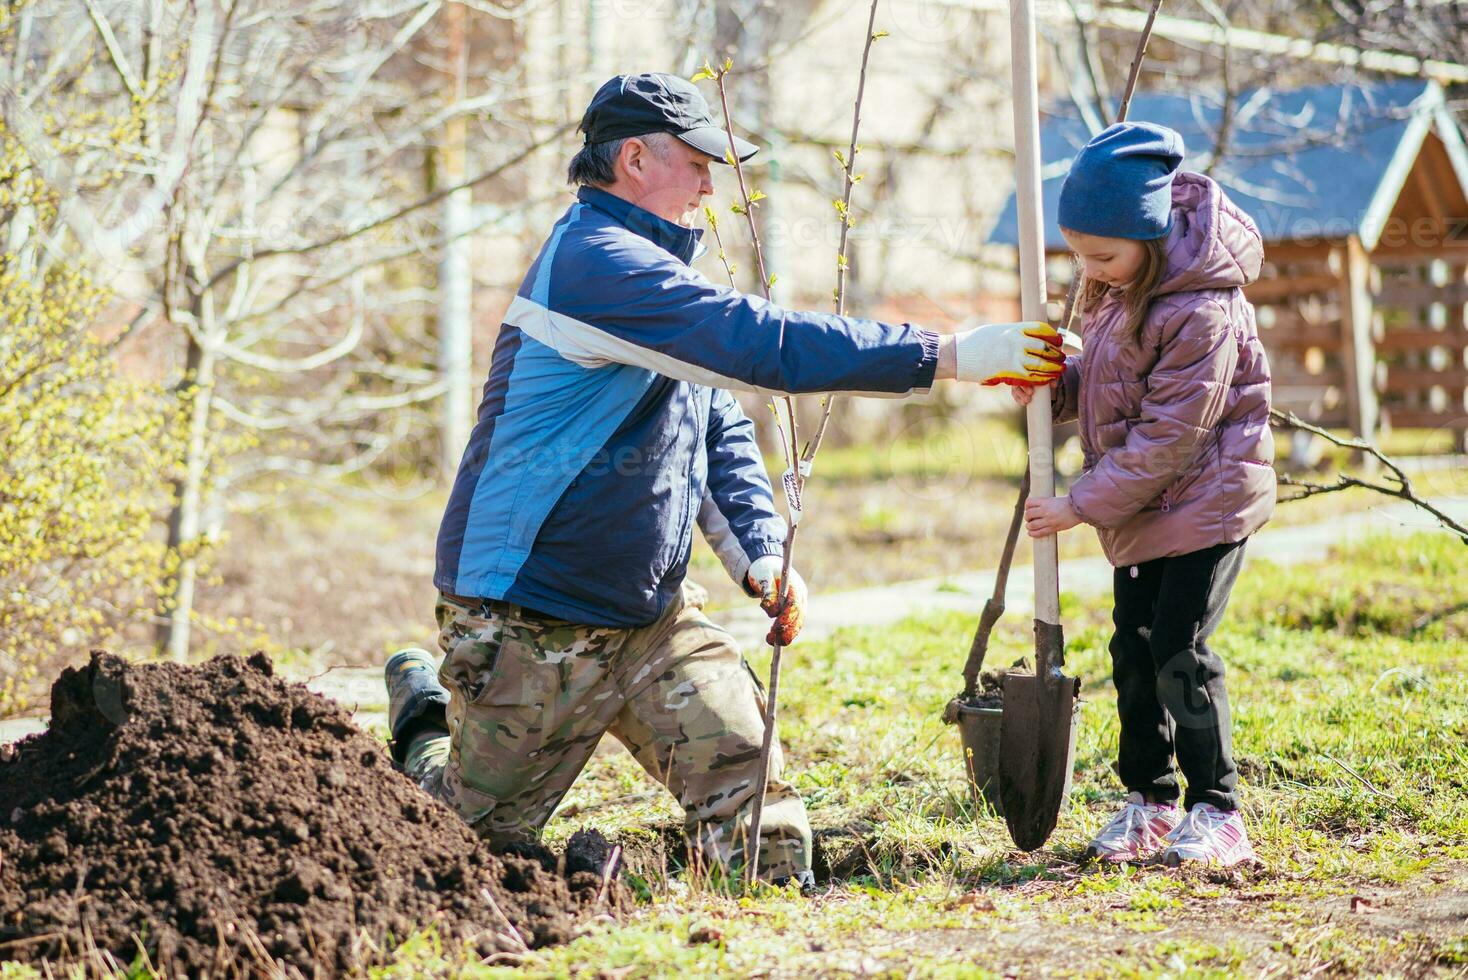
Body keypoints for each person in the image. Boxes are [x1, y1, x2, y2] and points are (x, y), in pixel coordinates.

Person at [386, 72, 1067, 889]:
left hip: (650, 618)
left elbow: (712, 422)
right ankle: (426, 722)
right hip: (532, 618)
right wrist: (945, 355)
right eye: (699, 161)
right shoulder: (594, 265)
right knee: (459, 843)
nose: (713, 184)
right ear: (634, 158)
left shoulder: (666, 274)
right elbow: (760, 343)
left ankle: (753, 935)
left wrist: (760, 552)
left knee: (768, 838)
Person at [1015, 121, 1274, 867]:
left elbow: (1171, 435)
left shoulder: (1203, 309)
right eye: (1078, 253)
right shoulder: (1113, 287)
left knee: (1178, 650)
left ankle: (1218, 808)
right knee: (1131, 649)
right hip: (1143, 506)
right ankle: (1152, 798)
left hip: (1206, 500)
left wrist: (1080, 504)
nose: (1087, 268)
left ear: (1152, 234)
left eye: (1102, 254)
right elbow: (1107, 390)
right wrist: (1047, 386)